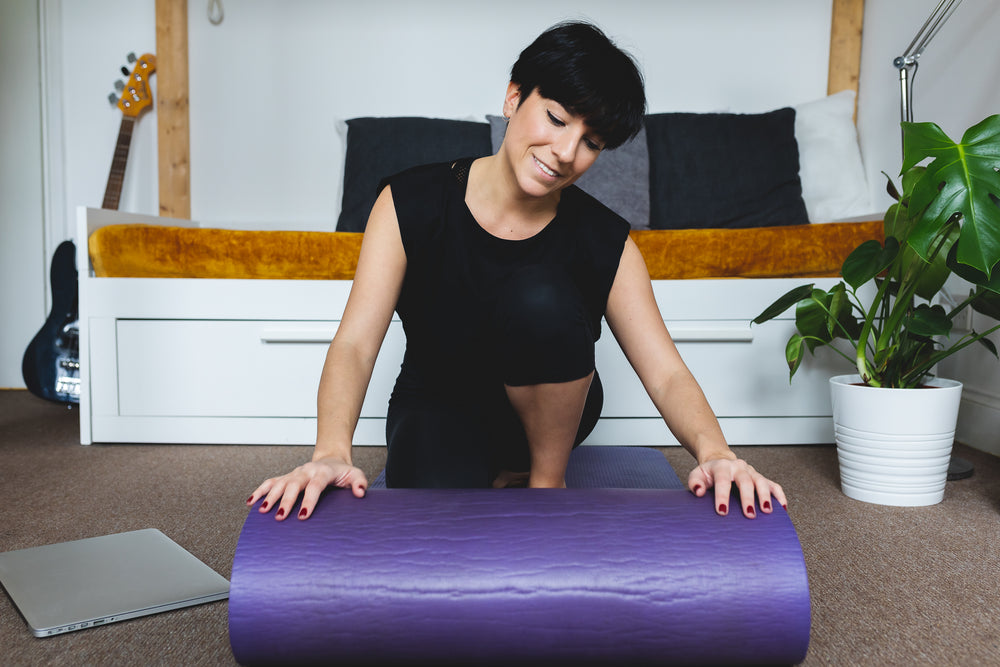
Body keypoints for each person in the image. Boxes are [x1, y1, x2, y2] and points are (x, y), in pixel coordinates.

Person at [248, 21, 787, 521]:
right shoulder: (408, 201)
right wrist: (329, 452)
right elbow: (356, 345)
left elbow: (666, 372)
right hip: (438, 400)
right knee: (429, 503)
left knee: (539, 294)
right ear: (513, 97)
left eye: (591, 142)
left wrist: (717, 453)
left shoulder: (607, 240)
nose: (566, 152)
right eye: (555, 118)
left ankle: (544, 484)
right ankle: (493, 469)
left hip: (547, 416)